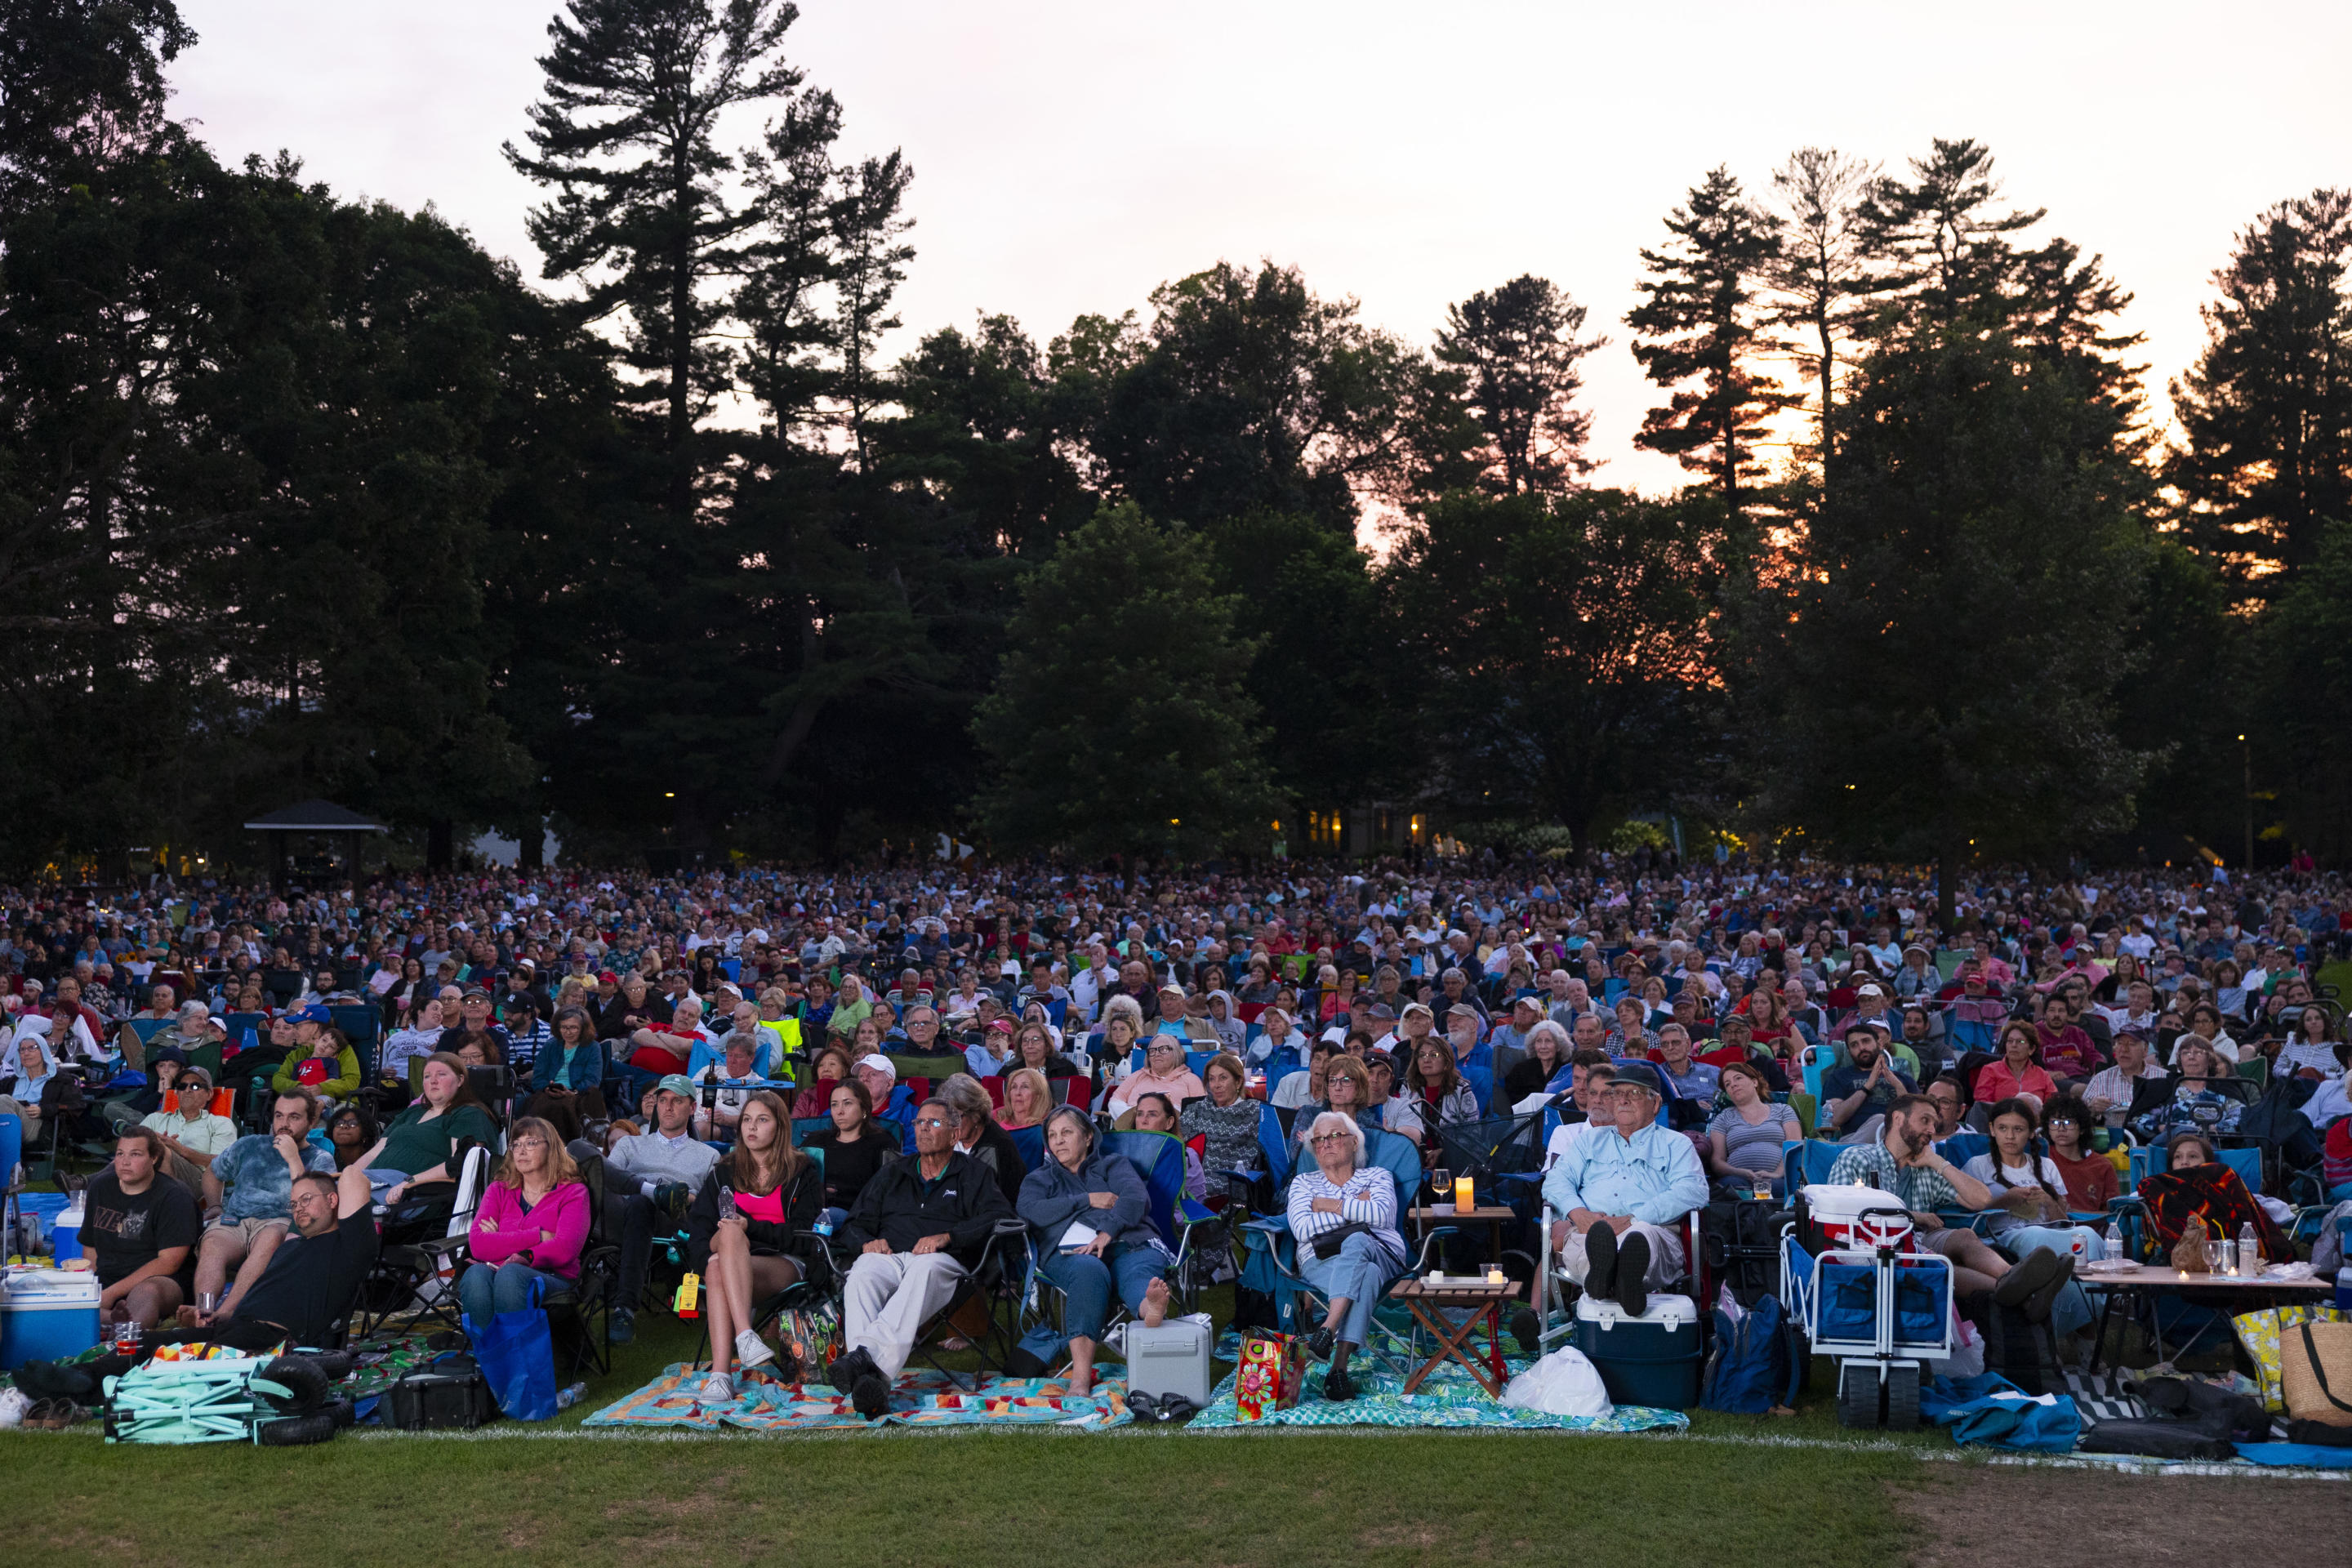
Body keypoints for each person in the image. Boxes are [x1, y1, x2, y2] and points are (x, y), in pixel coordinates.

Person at [826, 1098, 1014, 1420]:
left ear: (955, 1135)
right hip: (890, 1255)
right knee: (863, 1271)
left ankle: (860, 1359)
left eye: (934, 1123)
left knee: (925, 1269)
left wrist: (949, 1237)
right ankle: (870, 1386)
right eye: (919, 1123)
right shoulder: (893, 1172)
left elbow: (999, 1217)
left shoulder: (974, 1174)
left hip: (943, 1261)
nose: (924, 1128)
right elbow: (856, 1222)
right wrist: (867, 1243)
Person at [1824, 1094, 2065, 1312]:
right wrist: (1913, 1216)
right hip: (1872, 1246)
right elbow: (1843, 1211)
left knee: (1963, 1236)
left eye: (1934, 1123)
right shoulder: (1858, 1158)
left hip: (1919, 1242)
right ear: (1898, 1119)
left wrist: (1937, 1161)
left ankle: (2016, 1279)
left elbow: (1982, 1200)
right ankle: (2029, 1295)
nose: (1932, 1129)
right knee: (1942, 1268)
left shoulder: (1927, 1169)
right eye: (1925, 1120)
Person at [1004, 1105, 1175, 1395]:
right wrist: (1087, 1200)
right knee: (1089, 1272)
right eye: (1052, 1135)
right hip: (1070, 1254)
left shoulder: (1114, 1165)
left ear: (1087, 1137)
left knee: (1137, 1273)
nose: (1058, 1140)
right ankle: (1080, 1378)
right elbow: (1029, 1210)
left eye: (1067, 1132)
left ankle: (1150, 1309)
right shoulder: (1040, 1179)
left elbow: (1135, 1197)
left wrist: (1107, 1232)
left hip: (1126, 1242)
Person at [1541, 1063, 1708, 1315]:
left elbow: (1693, 1190)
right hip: (1590, 1230)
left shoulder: (1677, 1144)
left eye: (1635, 1094)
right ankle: (1620, 1282)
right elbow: (1555, 1180)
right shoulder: (1589, 1140)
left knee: (1640, 1237)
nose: (1624, 1101)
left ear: (1656, 1103)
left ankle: (1605, 1280)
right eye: (1618, 1094)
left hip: (1653, 1230)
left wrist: (1633, 1220)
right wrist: (1579, 1214)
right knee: (1592, 1241)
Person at [688, 1091, 823, 1401]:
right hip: (727, 1254)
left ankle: (721, 1375)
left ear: (780, 1127)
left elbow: (803, 1234)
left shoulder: (802, 1171)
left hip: (781, 1261)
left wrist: (751, 1229)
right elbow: (698, 1229)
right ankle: (746, 1337)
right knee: (725, 1242)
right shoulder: (724, 1171)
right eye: (747, 1120)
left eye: (762, 1120)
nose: (751, 1128)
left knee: (723, 1252)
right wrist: (711, 1256)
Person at [164, 1163, 380, 1352]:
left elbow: (353, 1175)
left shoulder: (349, 1245)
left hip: (272, 1341)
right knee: (142, 1345)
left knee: (176, 1364)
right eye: (294, 1204)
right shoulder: (289, 1248)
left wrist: (306, 1170)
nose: (298, 1209)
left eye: (306, 1199)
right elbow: (263, 1302)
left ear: (333, 1199)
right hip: (232, 1330)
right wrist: (216, 1317)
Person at [1285, 1110, 1407, 1402]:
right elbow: (1302, 1229)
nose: (1325, 1143)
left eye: (1335, 1136)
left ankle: (1327, 1328)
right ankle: (1338, 1370)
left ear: (1354, 1143)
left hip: (1382, 1251)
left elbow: (1382, 1216)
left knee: (1357, 1241)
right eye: (1319, 1140)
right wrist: (1356, 1207)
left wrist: (1327, 1205)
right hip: (1320, 1259)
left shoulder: (1378, 1175)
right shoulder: (1303, 1183)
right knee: (1367, 1273)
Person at [1961, 1098, 2104, 1338]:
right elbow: (1970, 1214)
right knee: (2036, 1235)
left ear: (2029, 1133)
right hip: (2002, 1235)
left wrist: (2048, 1201)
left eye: (2018, 1129)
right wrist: (2007, 1199)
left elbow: (2062, 1219)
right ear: (1992, 1130)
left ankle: (2084, 1312)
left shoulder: (2046, 1166)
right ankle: (2054, 1321)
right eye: (2003, 1128)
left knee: (2087, 1234)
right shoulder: (1977, 1166)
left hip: (2047, 1229)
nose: (2010, 1136)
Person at [198, 1088, 336, 1312]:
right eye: (279, 1115)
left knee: (270, 1238)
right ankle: (203, 1312)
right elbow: (212, 1173)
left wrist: (293, 1158)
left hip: (278, 1221)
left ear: (312, 1123)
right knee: (212, 1243)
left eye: (294, 1117)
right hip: (236, 1220)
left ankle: (227, 1312)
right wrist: (215, 1205)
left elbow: (312, 1205)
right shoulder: (250, 1144)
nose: (284, 1123)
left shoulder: (321, 1158)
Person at [457, 1116, 591, 1326]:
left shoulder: (573, 1192)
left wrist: (508, 1244)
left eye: (530, 1143)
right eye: (516, 1145)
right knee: (475, 1274)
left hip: (554, 1277)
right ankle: (488, 1356)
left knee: (511, 1275)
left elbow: (564, 1249)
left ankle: (515, 1356)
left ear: (551, 1148)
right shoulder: (499, 1189)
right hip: (496, 1270)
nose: (520, 1151)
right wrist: (537, 1236)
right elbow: (478, 1245)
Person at [79, 1127, 200, 1333]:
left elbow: (169, 1262)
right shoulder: (100, 1187)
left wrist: (109, 1294)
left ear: (154, 1158)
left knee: (148, 1291)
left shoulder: (174, 1196)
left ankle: (125, 1330)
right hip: (108, 1275)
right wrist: (91, 1285)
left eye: (135, 1154)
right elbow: (90, 1245)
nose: (125, 1162)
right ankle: (110, 1319)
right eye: (120, 1154)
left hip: (160, 1279)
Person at [360, 1053, 501, 1204]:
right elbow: (373, 1154)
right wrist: (344, 1177)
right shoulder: (412, 1113)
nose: (433, 1081)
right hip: (370, 1181)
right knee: (339, 1187)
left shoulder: (468, 1114)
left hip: (413, 1190)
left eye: (441, 1075)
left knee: (349, 1201)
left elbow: (460, 1164)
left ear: (460, 1080)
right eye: (427, 1076)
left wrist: (411, 1182)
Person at [1705, 1060, 1799, 1193]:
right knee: (1730, 1188)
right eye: (1728, 1084)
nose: (1733, 1085)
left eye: (1738, 1078)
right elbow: (1717, 1162)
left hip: (1778, 1179)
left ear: (1755, 1082)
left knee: (1779, 1189)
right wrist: (1741, 1172)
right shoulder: (1723, 1117)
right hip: (1738, 1180)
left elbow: (1794, 1148)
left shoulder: (1783, 1110)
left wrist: (1777, 1174)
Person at [2130, 1035, 2245, 1143]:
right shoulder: (2165, 1088)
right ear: (2180, 1059)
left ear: (2209, 1059)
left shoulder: (2224, 1089)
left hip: (2213, 1147)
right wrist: (2161, 1128)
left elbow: (2243, 1118)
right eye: (2186, 1053)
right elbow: (2138, 1121)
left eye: (2198, 1053)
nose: (2191, 1057)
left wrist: (2214, 1129)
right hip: (2169, 1146)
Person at [805, 1077, 896, 1211]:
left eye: (847, 1103)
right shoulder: (816, 1140)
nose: (839, 1111)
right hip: (813, 1207)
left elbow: (887, 1190)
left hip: (857, 1214)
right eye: (834, 1104)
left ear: (864, 1108)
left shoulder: (881, 1143)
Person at [138, 1066, 234, 1190]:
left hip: (198, 1181)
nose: (187, 1090)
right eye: (182, 1086)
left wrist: (180, 1150)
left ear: (209, 1094)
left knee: (161, 1150)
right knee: (128, 1150)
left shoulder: (220, 1123)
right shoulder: (155, 1119)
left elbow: (223, 1164)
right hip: (148, 1172)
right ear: (177, 1092)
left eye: (195, 1086)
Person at [1181, 1053, 1263, 1200]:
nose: (1216, 1085)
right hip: (1194, 1182)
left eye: (1223, 1078)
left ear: (1238, 1082)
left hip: (1234, 1185)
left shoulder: (1255, 1111)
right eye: (1212, 1079)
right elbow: (1178, 1148)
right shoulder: (1196, 1110)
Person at [1822, 1024, 1916, 1142]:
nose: (1861, 1048)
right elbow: (1836, 1119)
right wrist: (1867, 1087)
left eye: (1866, 1041)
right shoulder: (1839, 1076)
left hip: (1899, 1140)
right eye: (1854, 1045)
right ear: (1849, 1051)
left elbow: (1916, 1116)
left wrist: (1898, 1085)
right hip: (1855, 1140)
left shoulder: (1903, 1079)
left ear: (1880, 1043)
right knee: (1880, 1121)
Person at [2041, 1095, 2119, 1212]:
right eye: (2055, 1122)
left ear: (2082, 1129)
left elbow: (2113, 1213)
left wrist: (2077, 1214)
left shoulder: (2102, 1166)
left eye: (2068, 1122)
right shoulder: (2041, 1159)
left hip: (2090, 1228)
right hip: (2049, 1227)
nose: (2061, 1129)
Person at [1129, 1090, 1209, 1200]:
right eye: (1140, 1114)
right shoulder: (1124, 1152)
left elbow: (1197, 1200)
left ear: (1169, 1123)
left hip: (1174, 1215)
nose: (1144, 1121)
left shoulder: (1186, 1156)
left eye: (1152, 1114)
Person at [2082, 1030, 2167, 1129]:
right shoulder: (2102, 1078)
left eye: (2131, 1044)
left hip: (2152, 1138)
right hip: (2114, 1138)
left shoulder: (2163, 1077)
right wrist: (2092, 1108)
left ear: (2145, 1050)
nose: (2124, 1049)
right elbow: (2080, 1115)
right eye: (2120, 1044)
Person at [1107, 1032, 1205, 1116]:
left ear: (1176, 1052)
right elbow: (1116, 1100)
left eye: (1164, 1049)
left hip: (1172, 1131)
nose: (1157, 1054)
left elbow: (1200, 1110)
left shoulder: (1190, 1079)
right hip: (1134, 1128)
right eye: (1152, 1051)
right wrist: (1135, 1116)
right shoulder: (1138, 1076)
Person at [1971, 1022, 2060, 1110]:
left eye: (2020, 1041)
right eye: (2010, 1041)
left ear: (2031, 1049)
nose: (2013, 1045)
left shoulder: (2042, 1075)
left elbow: (2053, 1106)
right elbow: (1982, 1106)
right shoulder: (1990, 1070)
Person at [1501, 1019, 1575, 1106]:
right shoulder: (1520, 1070)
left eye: (1548, 1041)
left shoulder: (1567, 1069)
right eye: (1539, 1041)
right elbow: (1511, 1099)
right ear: (1534, 1045)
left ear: (1558, 1046)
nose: (1543, 1046)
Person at [790, 1043, 854, 1119]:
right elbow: (797, 1125)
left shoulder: (853, 1095)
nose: (826, 1069)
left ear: (845, 1071)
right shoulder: (807, 1096)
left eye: (832, 1064)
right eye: (821, 1065)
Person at [323, 1100, 378, 1170]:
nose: (344, 1126)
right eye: (339, 1123)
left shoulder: (374, 1161)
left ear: (365, 1133)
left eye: (353, 1123)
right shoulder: (326, 1159)